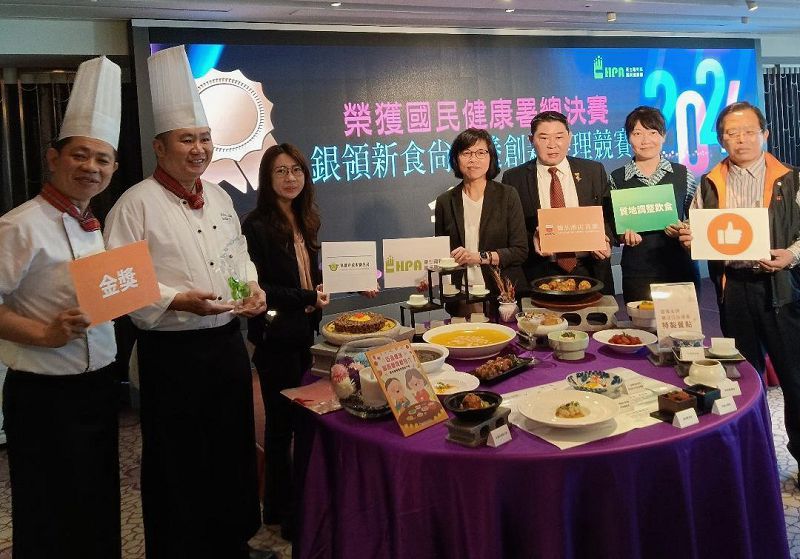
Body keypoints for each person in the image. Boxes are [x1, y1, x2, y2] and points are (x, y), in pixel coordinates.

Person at [103, 46, 272, 559]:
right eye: (186, 139)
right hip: (171, 353)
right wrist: (176, 300)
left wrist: (251, 289)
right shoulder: (133, 204)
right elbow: (119, 285)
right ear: (160, 146)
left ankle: (233, 544)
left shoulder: (218, 195)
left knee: (232, 447)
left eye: (204, 138)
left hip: (225, 344)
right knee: (178, 458)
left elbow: (238, 256)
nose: (199, 149)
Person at [0, 57, 122, 559]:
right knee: (48, 510)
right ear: (53, 158)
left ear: (113, 169)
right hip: (43, 394)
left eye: (103, 159)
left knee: (98, 502)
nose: (91, 167)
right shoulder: (19, 225)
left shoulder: (96, 225)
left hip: (99, 386)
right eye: (80, 155)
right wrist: (43, 334)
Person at [678, 101, 800, 483]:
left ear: (765, 134)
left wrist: (792, 255)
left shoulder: (792, 180)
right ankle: (752, 462)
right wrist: (690, 238)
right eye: (732, 133)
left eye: (749, 131)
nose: (741, 139)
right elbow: (696, 228)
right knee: (743, 380)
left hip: (782, 290)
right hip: (733, 290)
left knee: (796, 379)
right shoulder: (709, 182)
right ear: (721, 140)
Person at [242, 143, 329, 541]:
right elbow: (261, 289)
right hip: (275, 337)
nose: (291, 178)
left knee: (300, 419)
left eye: (296, 170)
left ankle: (293, 502)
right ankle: (279, 511)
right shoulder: (256, 226)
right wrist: (308, 296)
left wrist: (346, 283)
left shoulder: (306, 218)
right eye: (281, 171)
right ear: (267, 178)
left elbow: (311, 274)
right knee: (280, 425)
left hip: (303, 333)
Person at [501, 111, 613, 292]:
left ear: (570, 137)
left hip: (590, 268)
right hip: (539, 271)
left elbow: (608, 216)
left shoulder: (593, 170)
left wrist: (606, 239)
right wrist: (532, 240)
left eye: (559, 137)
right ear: (531, 140)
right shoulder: (514, 178)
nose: (552, 145)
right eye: (544, 138)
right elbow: (510, 230)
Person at [609, 106, 699, 302]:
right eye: (637, 133)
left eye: (652, 132)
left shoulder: (683, 174)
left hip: (678, 267)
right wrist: (623, 236)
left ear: (663, 136)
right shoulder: (617, 178)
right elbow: (612, 226)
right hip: (637, 270)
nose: (645, 140)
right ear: (628, 138)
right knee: (642, 321)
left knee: (682, 321)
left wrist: (684, 228)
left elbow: (698, 219)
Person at [434, 127, 528, 308]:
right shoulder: (445, 201)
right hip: (461, 294)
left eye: (480, 153)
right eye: (466, 153)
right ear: (456, 159)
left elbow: (520, 251)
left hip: (501, 294)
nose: (473, 159)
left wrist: (479, 257)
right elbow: (441, 251)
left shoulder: (507, 195)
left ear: (490, 157)